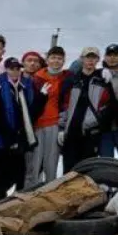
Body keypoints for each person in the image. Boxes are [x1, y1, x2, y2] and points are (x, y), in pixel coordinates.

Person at [0, 57, 43, 200]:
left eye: (17, 69)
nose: (14, 71)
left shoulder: (24, 86)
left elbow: (31, 112)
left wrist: (42, 97)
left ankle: (16, 199)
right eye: (11, 68)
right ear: (5, 69)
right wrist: (8, 134)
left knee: (20, 169)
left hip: (20, 135)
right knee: (2, 170)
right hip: (2, 136)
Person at [59, 47, 112, 171]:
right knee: (69, 171)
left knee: (87, 172)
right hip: (71, 133)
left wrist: (98, 121)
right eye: (88, 57)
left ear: (98, 60)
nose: (90, 60)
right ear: (82, 59)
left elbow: (110, 105)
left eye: (94, 57)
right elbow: (63, 105)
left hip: (91, 134)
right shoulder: (72, 80)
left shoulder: (103, 79)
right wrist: (61, 128)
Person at [27, 47, 68, 188]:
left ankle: (49, 192)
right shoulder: (37, 78)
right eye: (53, 57)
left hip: (54, 124)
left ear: (63, 61)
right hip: (37, 125)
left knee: (51, 163)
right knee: (34, 163)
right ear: (47, 59)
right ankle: (30, 193)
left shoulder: (67, 77)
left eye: (59, 58)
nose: (56, 61)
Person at [98, 44, 118, 160]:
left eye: (116, 55)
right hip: (104, 128)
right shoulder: (98, 75)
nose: (112, 58)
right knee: (106, 163)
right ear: (104, 57)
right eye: (109, 55)